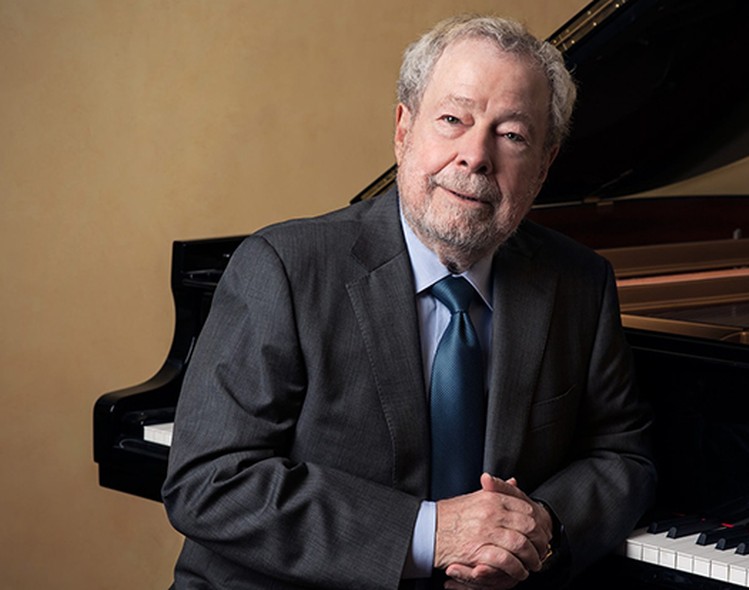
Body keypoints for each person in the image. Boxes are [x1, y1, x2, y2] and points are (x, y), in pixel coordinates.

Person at [162, 14, 656, 590]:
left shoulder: (579, 281)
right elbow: (208, 479)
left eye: (512, 135)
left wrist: (537, 526)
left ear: (543, 166)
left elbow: (624, 456)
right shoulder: (283, 267)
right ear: (403, 129)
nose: (475, 156)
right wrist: (429, 533)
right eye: (452, 119)